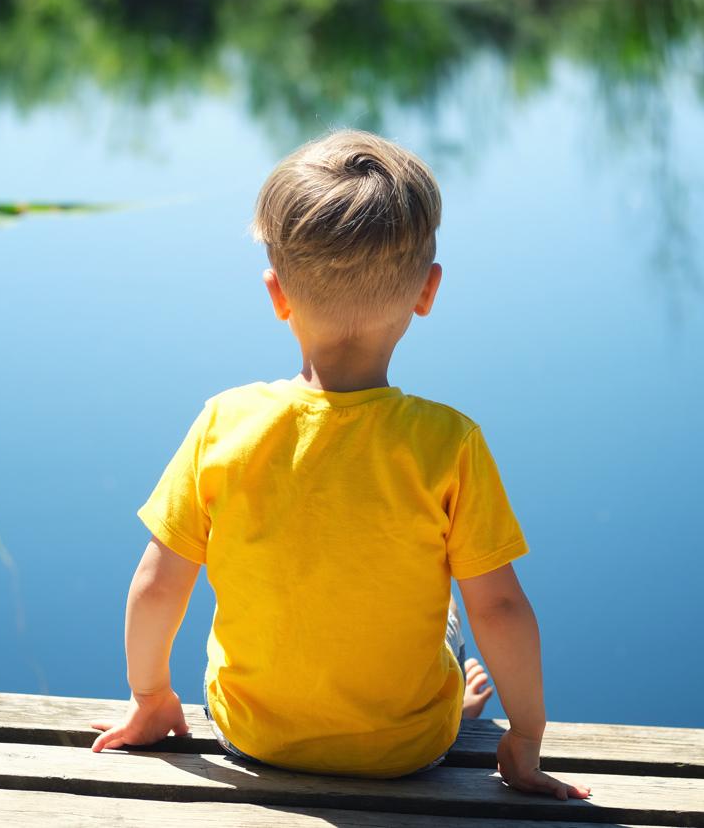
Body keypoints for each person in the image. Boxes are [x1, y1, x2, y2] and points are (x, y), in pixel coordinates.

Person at [90, 130, 591, 800]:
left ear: (278, 295)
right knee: (451, 599)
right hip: (407, 749)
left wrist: (151, 696)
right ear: (428, 291)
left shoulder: (224, 424)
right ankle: (457, 705)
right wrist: (525, 735)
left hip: (253, 735)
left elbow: (157, 586)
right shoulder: (449, 442)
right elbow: (500, 607)